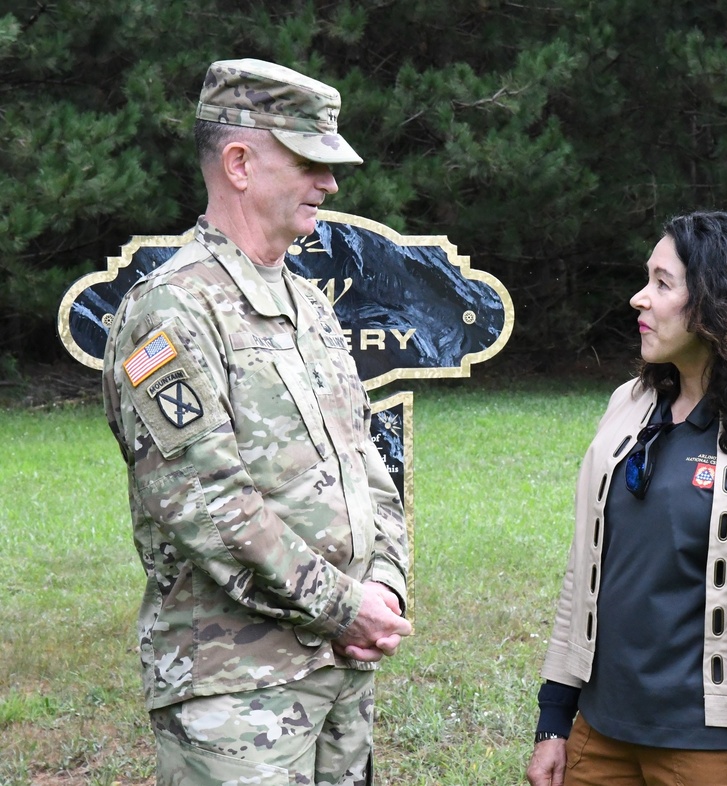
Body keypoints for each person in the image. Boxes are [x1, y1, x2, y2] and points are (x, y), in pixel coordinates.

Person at [102, 58, 411, 785]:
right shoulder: (172, 311)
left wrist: (388, 583)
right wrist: (346, 608)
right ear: (239, 163)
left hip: (339, 671)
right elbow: (209, 505)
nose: (330, 183)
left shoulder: (308, 303)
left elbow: (366, 460)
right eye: (310, 161)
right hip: (235, 690)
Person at [526, 211, 727, 786]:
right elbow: (585, 575)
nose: (639, 299)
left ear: (718, 303)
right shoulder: (628, 406)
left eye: (661, 282)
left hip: (712, 753)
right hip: (599, 735)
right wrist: (555, 718)